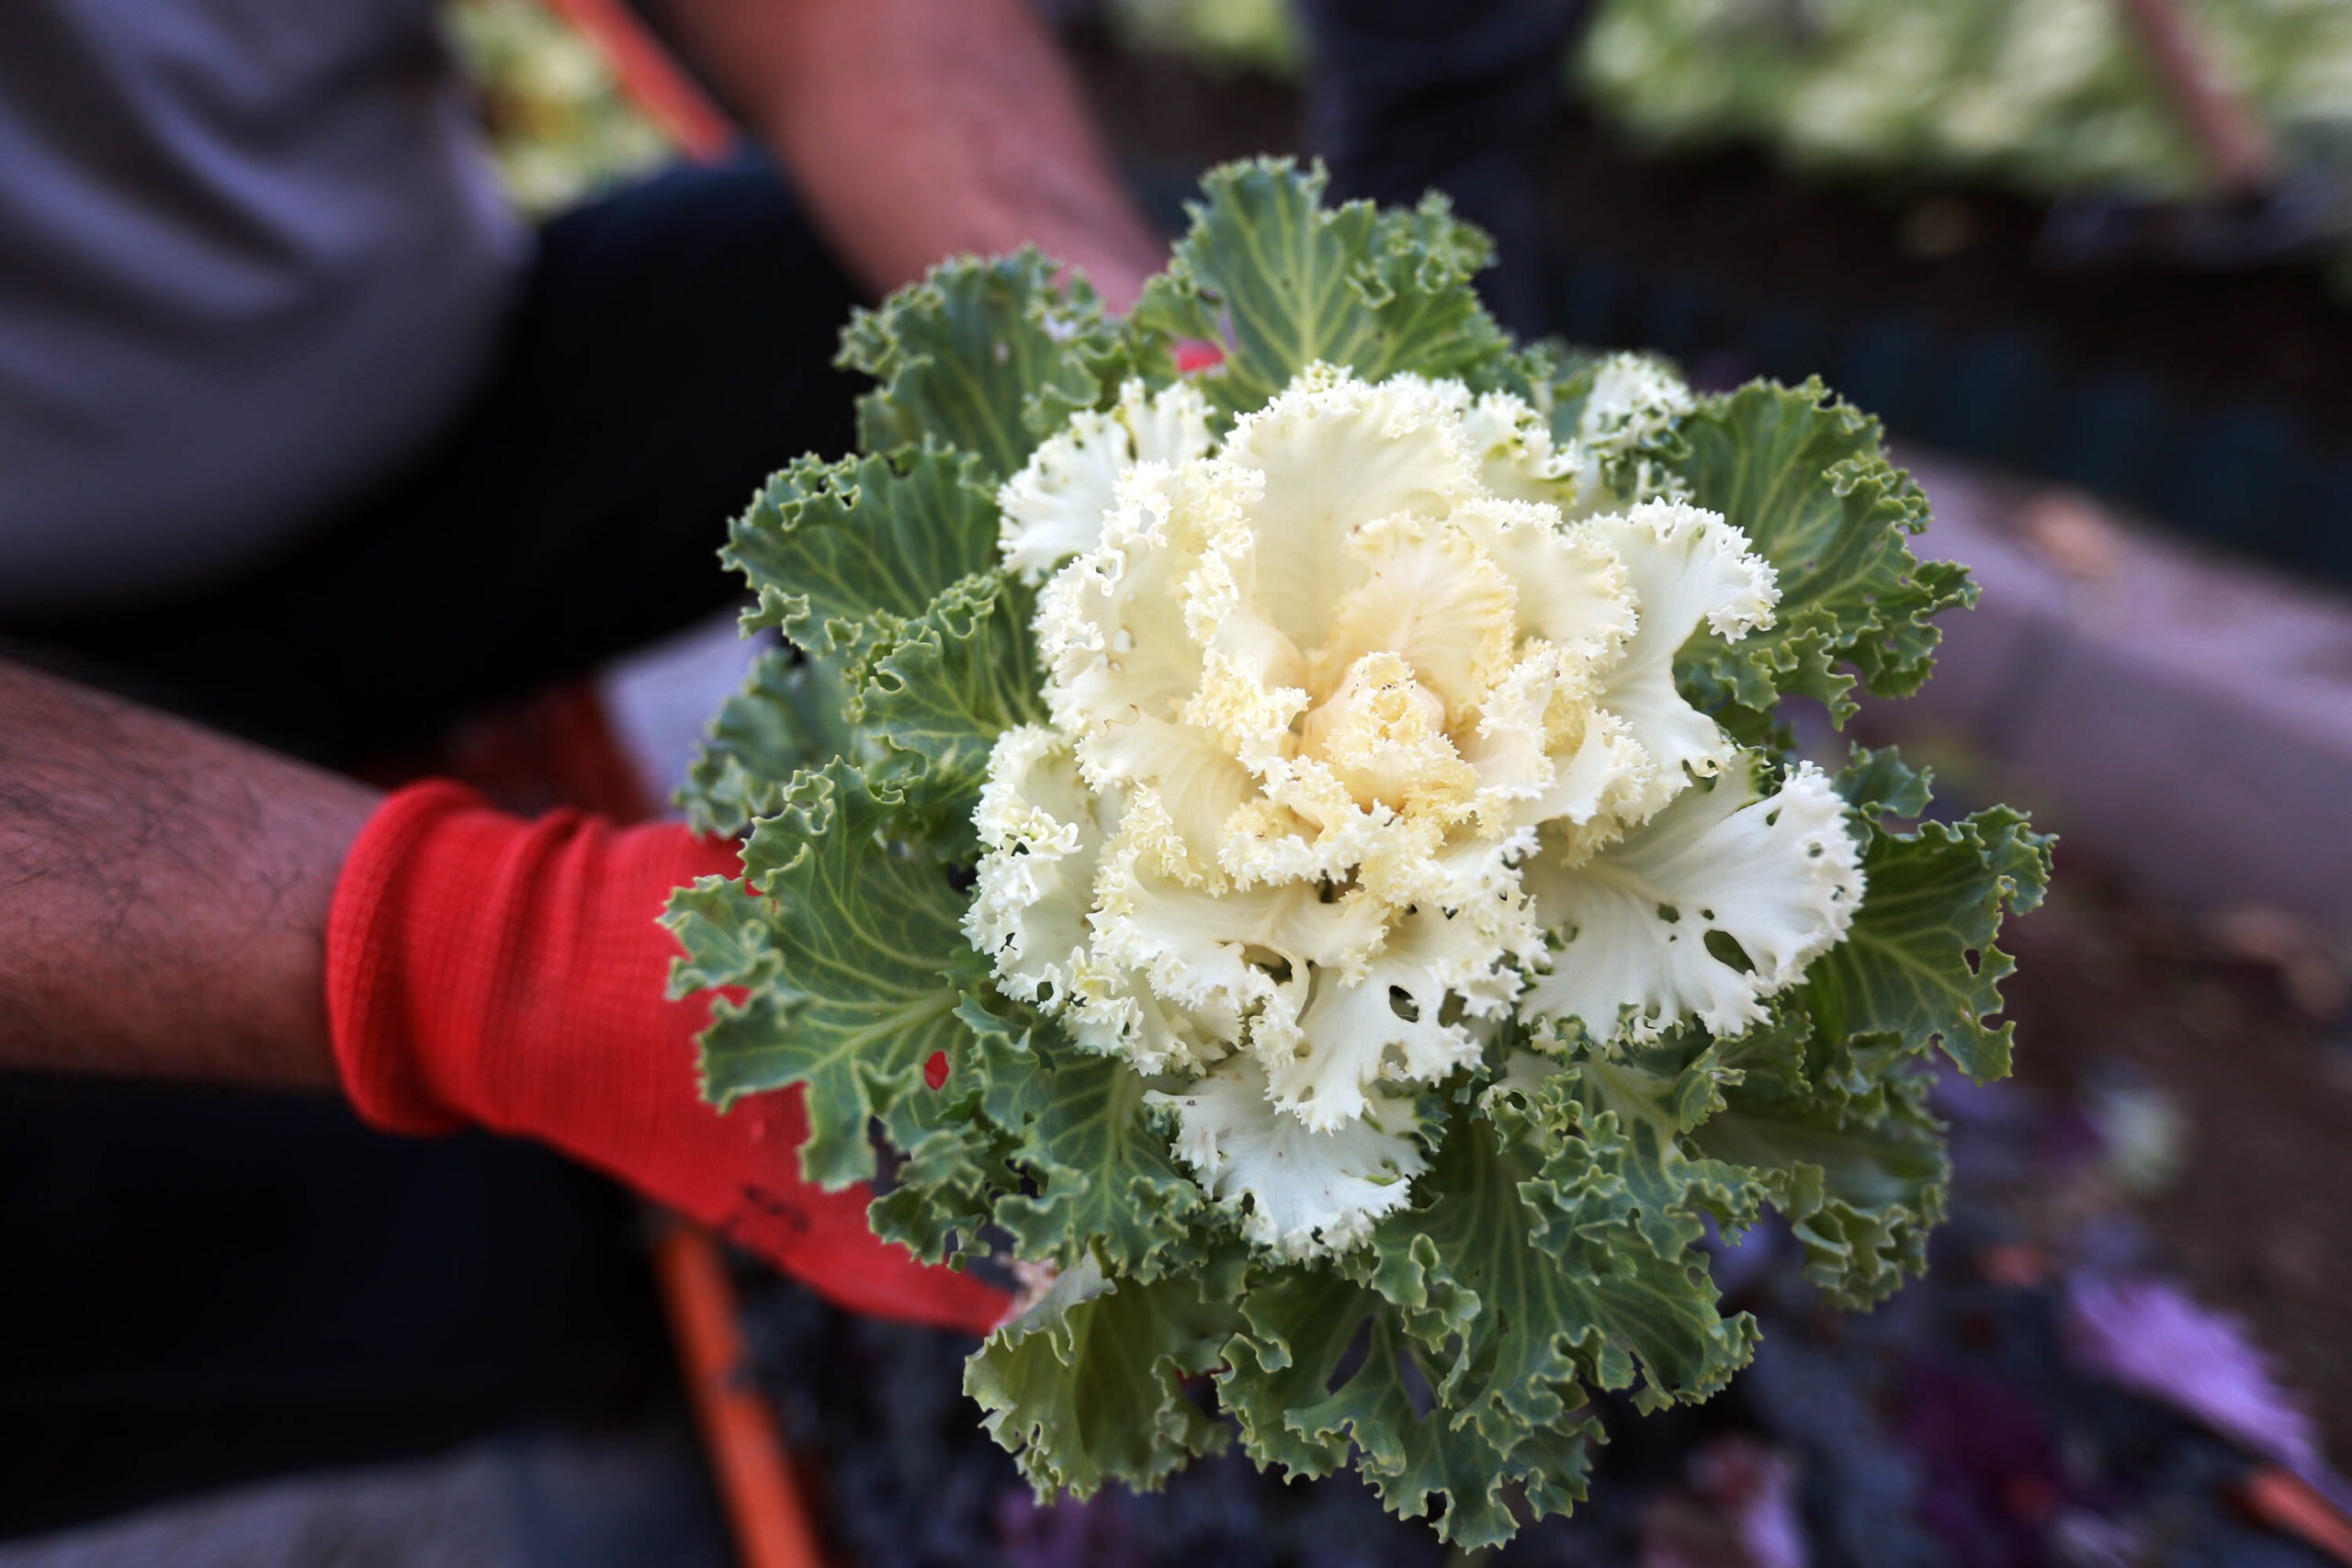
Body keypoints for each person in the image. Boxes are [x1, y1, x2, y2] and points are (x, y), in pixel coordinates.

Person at [0, 0, 1166, 1536]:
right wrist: (505, 962)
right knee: (463, 1248)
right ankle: (599, 1321)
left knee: (933, 315)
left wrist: (1130, 379)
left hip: (431, 418)